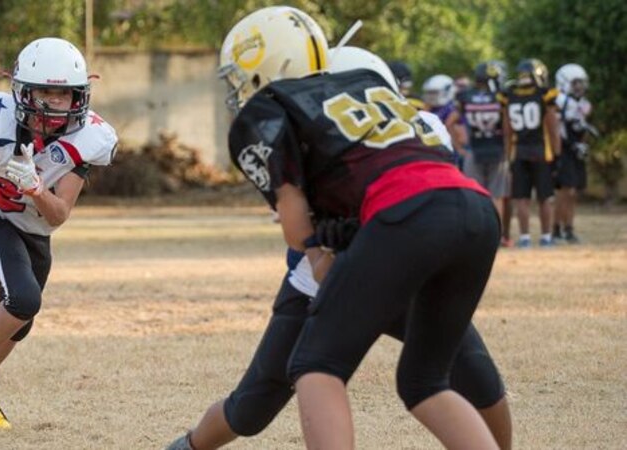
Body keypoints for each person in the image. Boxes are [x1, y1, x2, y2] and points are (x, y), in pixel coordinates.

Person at [165, 44, 512, 450]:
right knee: (255, 404)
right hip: (365, 259)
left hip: (397, 249)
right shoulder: (336, 128)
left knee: (463, 372)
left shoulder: (301, 120)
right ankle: (189, 446)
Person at [0, 37, 118, 428]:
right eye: (44, 92)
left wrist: (36, 189)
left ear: (80, 95)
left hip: (36, 229)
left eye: (64, 94)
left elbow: (59, 214)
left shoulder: (88, 138)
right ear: (23, 92)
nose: (54, 103)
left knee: (23, 317)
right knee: (24, 298)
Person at [499, 58, 561, 248]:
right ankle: (546, 237)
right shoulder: (544, 94)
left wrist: (507, 155)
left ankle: (525, 238)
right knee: (545, 197)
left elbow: (507, 130)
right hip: (541, 151)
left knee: (521, 198)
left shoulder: (509, 95)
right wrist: (557, 154)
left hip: (518, 152)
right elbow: (552, 127)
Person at [459, 61, 512, 243]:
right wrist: (509, 149)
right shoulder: (500, 97)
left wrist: (460, 148)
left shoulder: (466, 96)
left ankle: (475, 236)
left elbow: (452, 121)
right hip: (497, 149)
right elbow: (507, 127)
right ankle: (496, 236)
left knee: (474, 196)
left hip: (474, 149)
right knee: (496, 196)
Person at [553, 63, 593, 244]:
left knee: (573, 191)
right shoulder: (560, 101)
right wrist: (559, 152)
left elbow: (581, 126)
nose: (579, 86)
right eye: (576, 82)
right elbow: (556, 128)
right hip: (564, 150)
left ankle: (569, 229)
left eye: (581, 82)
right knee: (565, 191)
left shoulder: (583, 103)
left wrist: (583, 143)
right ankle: (556, 229)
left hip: (575, 150)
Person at [423, 74, 469, 168]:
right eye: (430, 93)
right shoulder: (430, 109)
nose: (431, 96)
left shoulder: (452, 109)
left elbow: (462, 137)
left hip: (449, 152)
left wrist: (458, 148)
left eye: (434, 93)